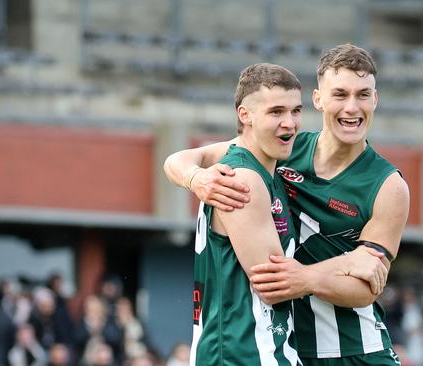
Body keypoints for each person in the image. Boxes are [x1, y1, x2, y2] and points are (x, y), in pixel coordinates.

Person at [164, 44, 409, 365]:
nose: (352, 107)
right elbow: (177, 160)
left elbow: (369, 286)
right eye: (340, 94)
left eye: (363, 94)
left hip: (354, 349)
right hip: (282, 346)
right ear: (318, 100)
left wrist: (307, 278)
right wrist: (196, 179)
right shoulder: (279, 147)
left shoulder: (389, 186)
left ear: (375, 100)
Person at [186, 62, 304, 365]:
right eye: (276, 112)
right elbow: (275, 286)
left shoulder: (265, 168)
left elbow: (183, 159)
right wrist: (348, 269)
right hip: (242, 353)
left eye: (295, 111)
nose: (289, 123)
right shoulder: (244, 179)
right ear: (245, 115)